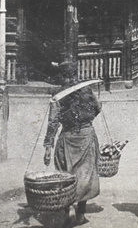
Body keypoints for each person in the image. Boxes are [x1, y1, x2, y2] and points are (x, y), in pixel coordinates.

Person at [43, 61, 101, 226]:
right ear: (76, 75)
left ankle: (68, 209)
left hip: (67, 137)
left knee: (66, 175)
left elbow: (53, 122)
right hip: (86, 135)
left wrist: (48, 146)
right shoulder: (87, 90)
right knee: (85, 175)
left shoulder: (58, 95)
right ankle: (81, 213)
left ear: (62, 76)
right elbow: (97, 109)